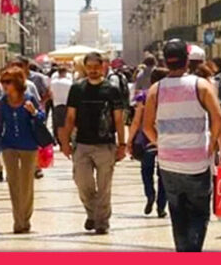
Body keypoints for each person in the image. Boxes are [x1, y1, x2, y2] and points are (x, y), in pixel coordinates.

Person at [142, 39, 221, 252]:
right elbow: (218, 118)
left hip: (168, 163)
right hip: (197, 162)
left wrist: (160, 143)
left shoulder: (156, 90)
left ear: (165, 62)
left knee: (177, 213)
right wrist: (212, 144)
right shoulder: (201, 86)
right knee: (199, 213)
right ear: (187, 61)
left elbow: (147, 126)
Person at [60, 52, 127, 235]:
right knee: (82, 183)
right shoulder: (77, 89)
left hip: (105, 144)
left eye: (96, 67)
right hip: (82, 143)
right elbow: (70, 117)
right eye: (89, 67)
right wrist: (65, 142)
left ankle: (101, 222)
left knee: (104, 187)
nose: (93, 70)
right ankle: (93, 213)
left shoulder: (112, 90)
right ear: (85, 68)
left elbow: (118, 119)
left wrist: (122, 144)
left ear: (103, 67)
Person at [0, 64, 46, 234]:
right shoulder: (3, 102)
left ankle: (26, 218)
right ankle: (18, 221)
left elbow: (42, 117)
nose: (4, 85)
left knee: (26, 183)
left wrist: (34, 112)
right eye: (3, 82)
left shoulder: (29, 98)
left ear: (17, 82)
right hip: (9, 145)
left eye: (8, 82)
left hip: (29, 145)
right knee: (13, 183)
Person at [127, 67, 168, 218]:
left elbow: (137, 120)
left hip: (146, 139)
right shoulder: (170, 96)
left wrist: (129, 141)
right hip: (166, 139)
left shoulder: (144, 96)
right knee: (164, 174)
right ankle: (161, 206)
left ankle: (150, 194)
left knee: (146, 170)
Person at [50, 65, 74, 147]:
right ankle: (67, 141)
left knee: (59, 125)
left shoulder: (53, 82)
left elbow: (51, 93)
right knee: (67, 124)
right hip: (67, 105)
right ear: (65, 72)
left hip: (57, 105)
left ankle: (61, 142)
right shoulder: (69, 83)